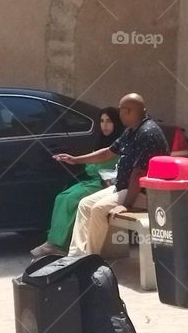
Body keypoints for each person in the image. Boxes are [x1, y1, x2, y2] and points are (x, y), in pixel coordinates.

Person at [54, 93, 169, 256]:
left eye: (120, 110)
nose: (119, 113)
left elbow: (138, 173)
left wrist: (126, 205)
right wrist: (76, 160)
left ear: (128, 111)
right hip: (124, 187)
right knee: (85, 204)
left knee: (98, 209)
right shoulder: (132, 130)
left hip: (145, 193)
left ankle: (90, 258)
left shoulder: (147, 132)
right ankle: (75, 256)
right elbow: (108, 152)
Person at [30, 107, 125, 257]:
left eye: (109, 121)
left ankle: (62, 245)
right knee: (62, 197)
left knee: (71, 200)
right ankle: (53, 242)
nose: (105, 125)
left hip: (106, 184)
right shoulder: (100, 140)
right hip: (92, 181)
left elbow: (105, 161)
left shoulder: (120, 142)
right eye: (102, 121)